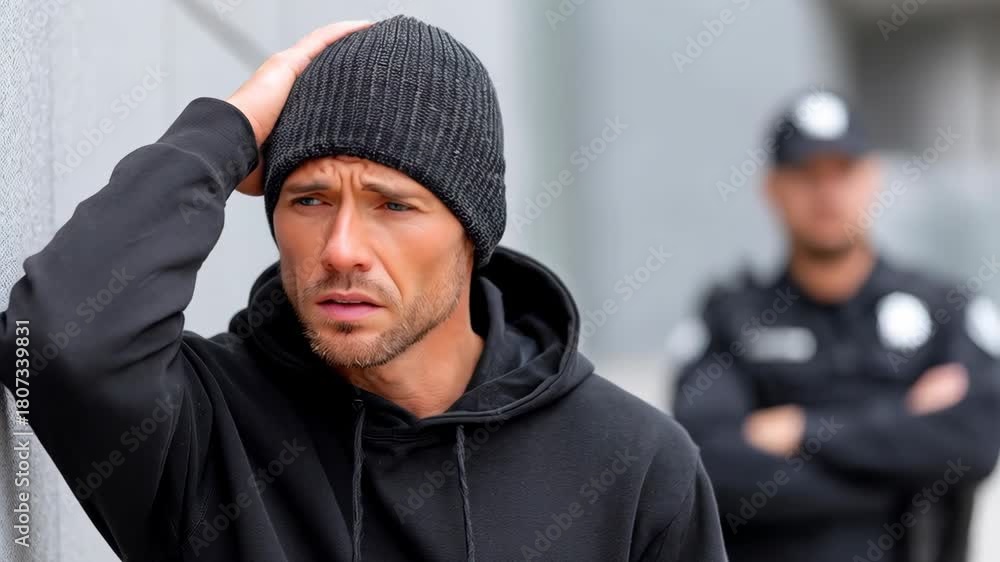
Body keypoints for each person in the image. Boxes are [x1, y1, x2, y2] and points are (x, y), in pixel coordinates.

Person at [0, 16, 727, 562]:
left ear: (471, 236)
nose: (342, 249)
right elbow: (55, 340)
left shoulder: (632, 466)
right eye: (310, 199)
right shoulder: (208, 428)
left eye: (393, 205)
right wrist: (229, 130)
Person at [669, 90, 1000, 562]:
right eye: (806, 174)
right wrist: (903, 450)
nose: (826, 193)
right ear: (772, 188)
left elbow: (975, 442)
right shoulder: (730, 318)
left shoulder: (945, 310)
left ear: (872, 178)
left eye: (842, 171)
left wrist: (802, 429)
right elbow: (705, 467)